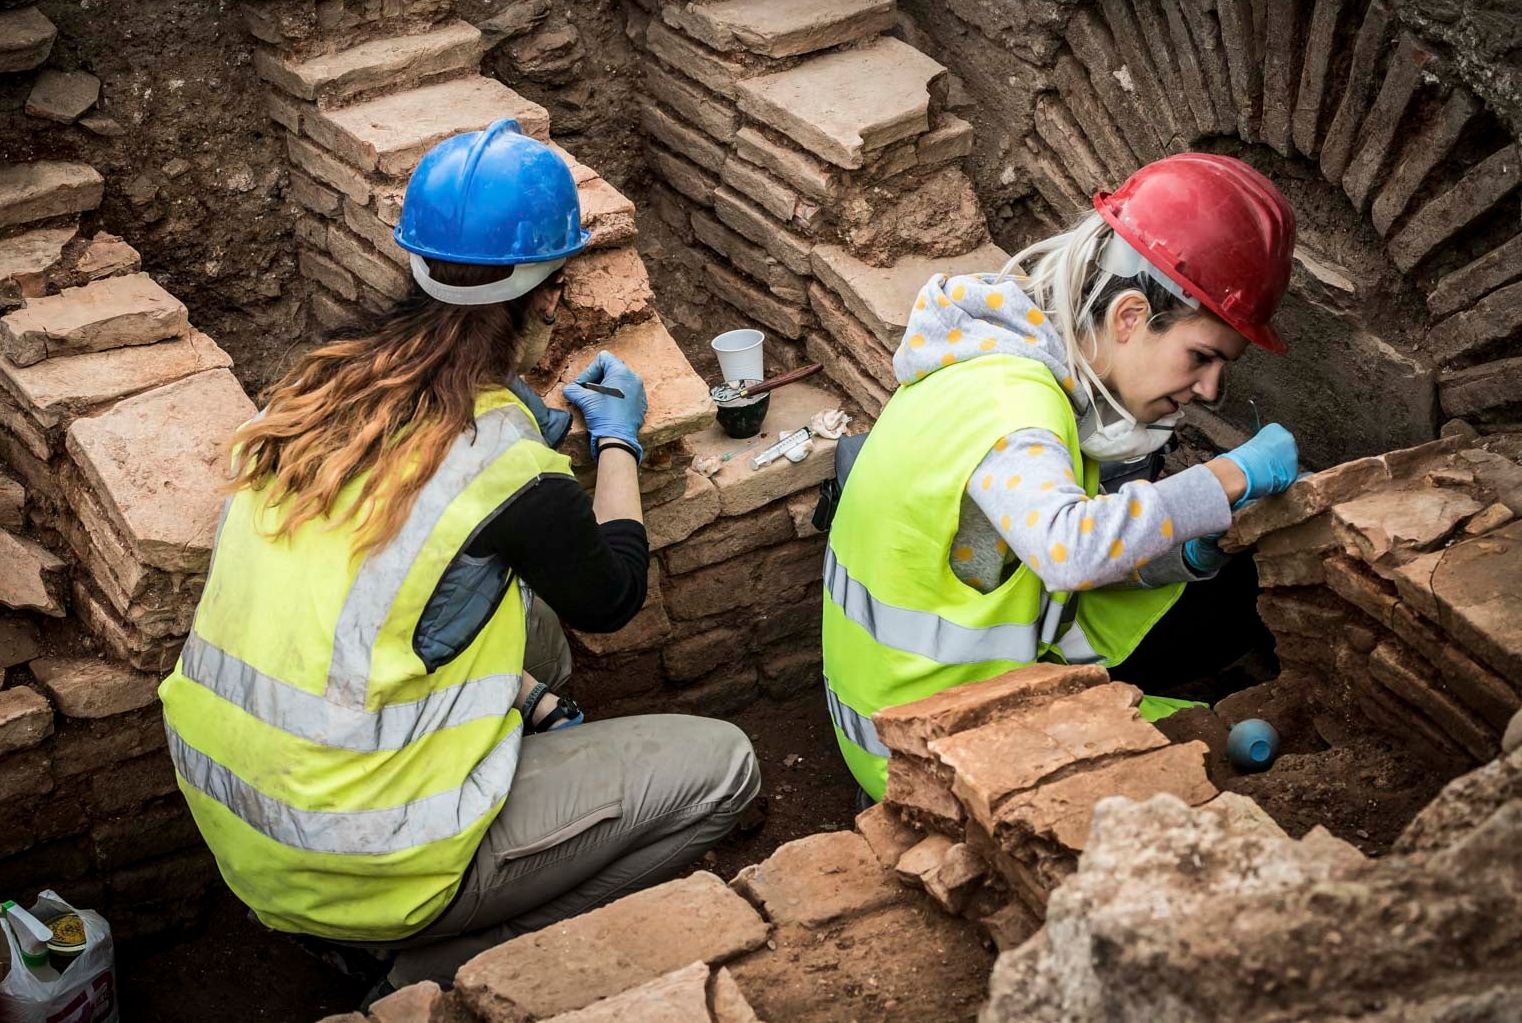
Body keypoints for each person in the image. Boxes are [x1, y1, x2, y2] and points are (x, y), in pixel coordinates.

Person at [158, 119, 760, 995]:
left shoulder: (322, 392)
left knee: (528, 628)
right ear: (548, 295)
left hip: (247, 830)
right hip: (373, 858)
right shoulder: (505, 472)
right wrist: (618, 442)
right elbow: (612, 592)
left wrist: (533, 428)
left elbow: (373, 596)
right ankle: (427, 967)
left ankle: (426, 878)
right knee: (726, 770)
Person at [822, 153, 1301, 801]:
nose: (1210, 389)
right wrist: (1224, 478)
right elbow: (1067, 549)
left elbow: (992, 565)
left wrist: (1176, 555)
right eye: (1202, 356)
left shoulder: (995, 358)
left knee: (1199, 651)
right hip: (921, 752)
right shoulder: (1017, 404)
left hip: (894, 709)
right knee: (1195, 764)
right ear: (1130, 317)